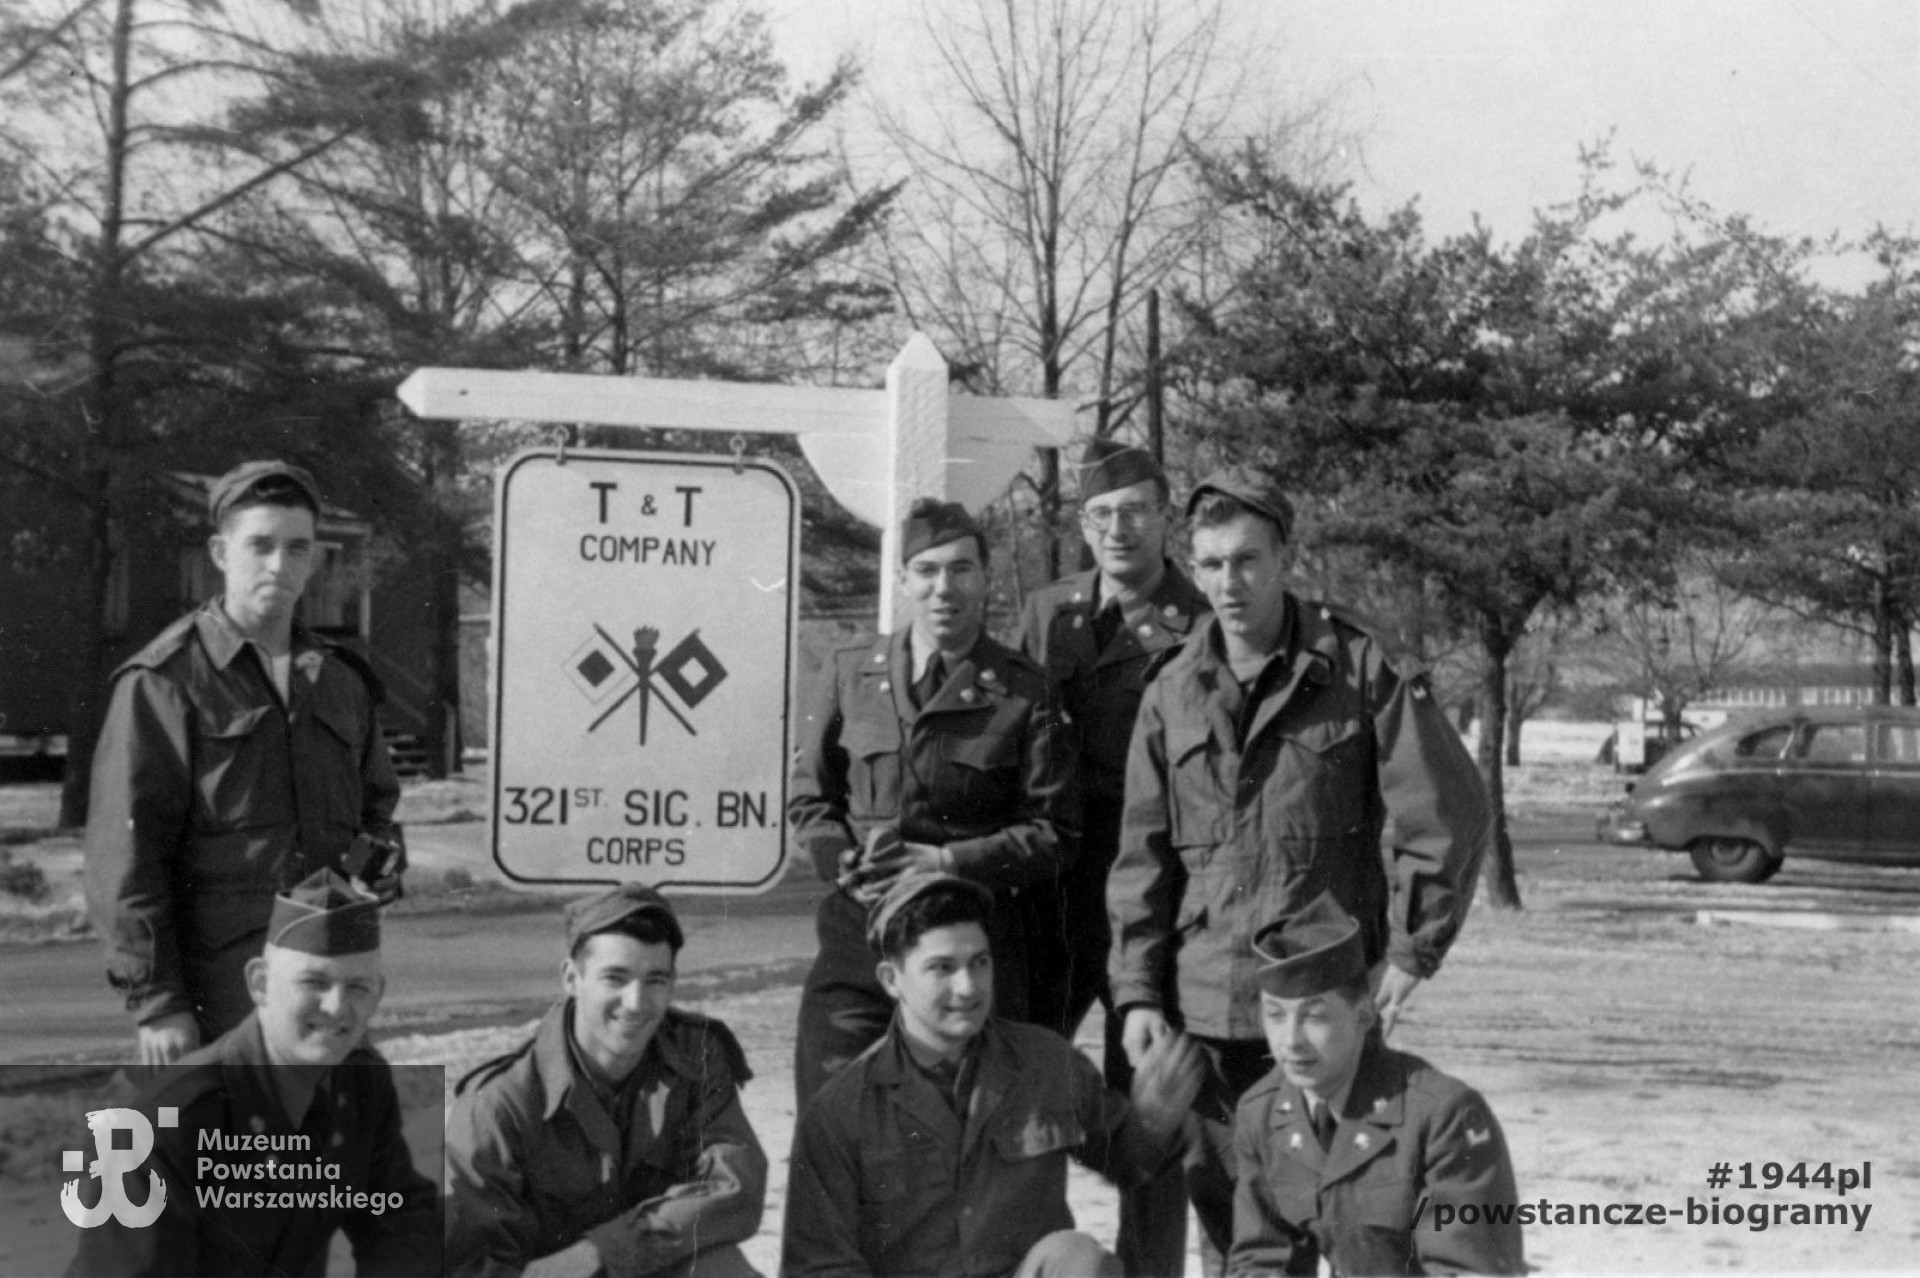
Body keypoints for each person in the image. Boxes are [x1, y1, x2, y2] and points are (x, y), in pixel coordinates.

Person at [1107, 463, 1492, 1271]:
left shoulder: (1355, 668)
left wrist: (1415, 945)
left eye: (1247, 560)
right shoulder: (1171, 689)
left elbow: (1445, 806)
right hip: (1208, 1009)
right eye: (1210, 564)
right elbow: (1140, 857)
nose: (1228, 583)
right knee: (1239, 1241)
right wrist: (1138, 990)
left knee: (1359, 1219)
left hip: (1325, 1004)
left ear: (1283, 556)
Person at [86, 460, 406, 1064]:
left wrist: (377, 864)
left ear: (314, 559)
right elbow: (125, 856)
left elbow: (377, 809)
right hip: (219, 997)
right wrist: (157, 1002)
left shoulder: (338, 681)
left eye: (297, 548)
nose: (279, 566)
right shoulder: (166, 683)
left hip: (327, 993)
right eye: (259, 545)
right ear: (220, 551)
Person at [788, 497, 1076, 1108]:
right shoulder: (847, 674)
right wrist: (841, 861)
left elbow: (1054, 833)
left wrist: (947, 864)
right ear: (903, 580)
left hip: (974, 947)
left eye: (961, 570)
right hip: (861, 941)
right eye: (927, 571)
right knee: (836, 1111)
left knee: (975, 1134)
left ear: (983, 578)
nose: (944, 588)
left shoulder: (1024, 691)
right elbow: (810, 802)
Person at [781, 872, 1205, 1278]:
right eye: (942, 968)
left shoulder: (1045, 1061)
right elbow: (819, 1265)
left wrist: (1151, 1124)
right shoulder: (840, 1109)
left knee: (1076, 1259)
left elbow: (1126, 1157)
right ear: (892, 980)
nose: (968, 987)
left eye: (979, 962)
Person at [1015, 437, 1208, 1276]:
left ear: (1165, 517)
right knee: (1024, 1089)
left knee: (1149, 1107)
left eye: (1136, 512)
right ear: (1083, 526)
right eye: (1101, 516)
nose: (1118, 530)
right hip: (1051, 896)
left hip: (1152, 894)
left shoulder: (1200, 624)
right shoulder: (1046, 615)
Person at [67, 869, 441, 1277]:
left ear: (379, 994)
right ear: (260, 984)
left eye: (357, 987)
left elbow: (401, 1220)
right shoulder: (156, 1126)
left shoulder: (361, 1085)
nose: (336, 1007)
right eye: (314, 982)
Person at [444, 883, 767, 1278]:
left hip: (643, 1269)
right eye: (615, 978)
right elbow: (471, 1265)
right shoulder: (499, 1104)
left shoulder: (695, 1058)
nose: (635, 1002)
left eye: (655, 980)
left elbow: (734, 1189)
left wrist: (601, 1253)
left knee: (721, 1270)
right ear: (570, 977)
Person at [1229, 893, 1524, 1276]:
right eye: (1275, 1016)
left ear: (1364, 1015)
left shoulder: (1443, 1115)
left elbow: (1469, 1268)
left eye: (1315, 1017)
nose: (1290, 1041)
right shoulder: (1263, 1113)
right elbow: (1261, 1259)